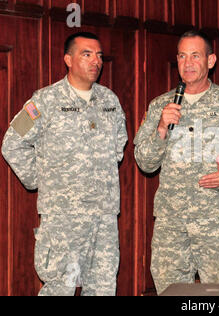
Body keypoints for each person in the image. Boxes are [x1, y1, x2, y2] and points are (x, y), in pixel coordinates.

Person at [134, 30, 219, 295]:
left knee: (217, 297)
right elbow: (145, 162)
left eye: (196, 55)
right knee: (172, 293)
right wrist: (161, 126)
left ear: (211, 61)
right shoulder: (161, 104)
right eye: (182, 56)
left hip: (216, 223)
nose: (188, 63)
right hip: (171, 226)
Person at [1, 32, 128, 296]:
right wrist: (39, 179)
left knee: (103, 288)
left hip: (104, 217)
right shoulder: (43, 101)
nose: (96, 61)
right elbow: (12, 143)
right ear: (68, 59)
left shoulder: (110, 101)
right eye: (87, 54)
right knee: (61, 288)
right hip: (63, 219)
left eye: (99, 55)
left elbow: (119, 145)